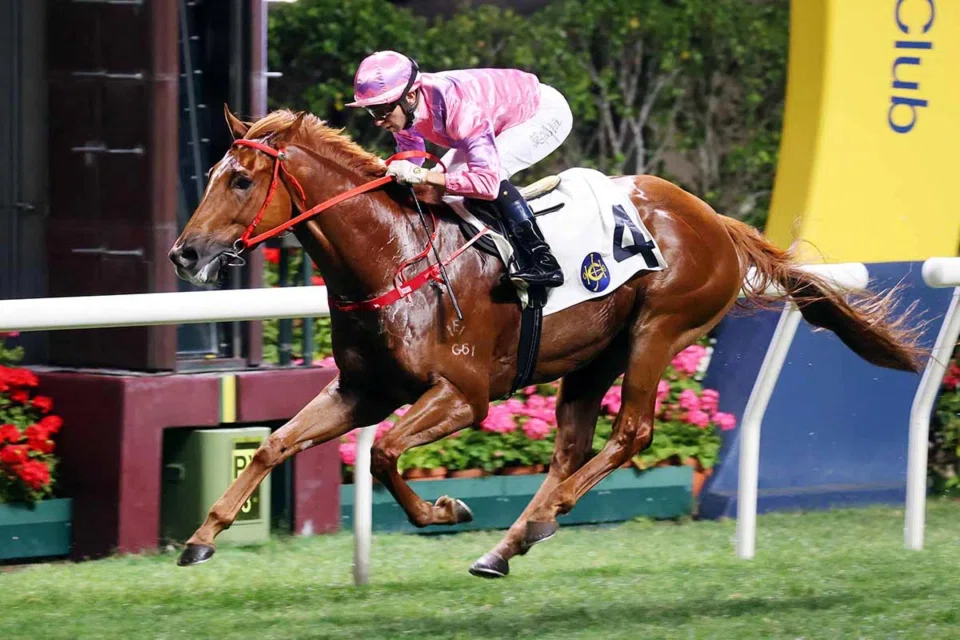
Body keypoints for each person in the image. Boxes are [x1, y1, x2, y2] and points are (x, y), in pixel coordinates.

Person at [345, 50, 572, 288]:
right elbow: (412, 155)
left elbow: (486, 184)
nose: (378, 121)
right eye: (372, 111)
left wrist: (422, 175)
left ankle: (544, 261)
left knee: (491, 176)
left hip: (541, 112)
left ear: (410, 97)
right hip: (496, 115)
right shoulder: (405, 109)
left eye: (382, 111)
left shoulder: (459, 109)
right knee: (442, 187)